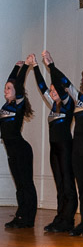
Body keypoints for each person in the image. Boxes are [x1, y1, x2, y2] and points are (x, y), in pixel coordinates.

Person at [45, 44, 83, 237]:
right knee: (82, 186)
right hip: (77, 147)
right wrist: (51, 65)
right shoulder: (79, 98)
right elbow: (62, 82)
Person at [28, 53, 77, 232]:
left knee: (68, 183)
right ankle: (60, 217)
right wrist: (35, 66)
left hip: (65, 148)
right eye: (52, 90)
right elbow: (42, 87)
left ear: (62, 91)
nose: (52, 92)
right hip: (54, 149)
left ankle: (68, 219)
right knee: (59, 184)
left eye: (55, 89)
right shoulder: (53, 105)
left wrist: (51, 66)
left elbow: (57, 84)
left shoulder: (68, 104)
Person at [1, 60, 37, 228]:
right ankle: (20, 216)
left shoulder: (18, 105)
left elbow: (18, 83)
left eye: (9, 88)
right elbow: (12, 81)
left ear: (17, 91)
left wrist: (24, 67)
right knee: (19, 186)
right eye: (5, 88)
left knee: (26, 184)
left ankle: (29, 218)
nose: (5, 90)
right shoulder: (5, 107)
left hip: (22, 150)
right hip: (12, 152)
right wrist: (16, 67)